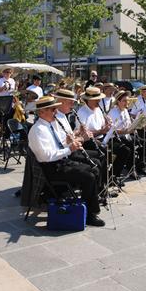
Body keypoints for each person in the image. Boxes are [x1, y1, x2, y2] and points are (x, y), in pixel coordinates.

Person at [28, 96, 105, 226]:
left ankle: (89, 203)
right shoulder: (38, 130)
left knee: (95, 169)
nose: (55, 112)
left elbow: (59, 145)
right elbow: (47, 156)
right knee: (89, 176)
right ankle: (90, 214)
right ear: (41, 112)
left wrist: (70, 141)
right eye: (52, 109)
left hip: (61, 162)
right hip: (52, 168)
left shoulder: (50, 125)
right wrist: (70, 149)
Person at [77, 87, 130, 180]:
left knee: (124, 150)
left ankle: (113, 176)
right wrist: (101, 131)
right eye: (96, 99)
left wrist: (107, 124)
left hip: (102, 139)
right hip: (89, 142)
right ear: (89, 100)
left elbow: (103, 127)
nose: (99, 101)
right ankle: (104, 181)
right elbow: (83, 134)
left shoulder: (98, 110)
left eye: (99, 99)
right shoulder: (82, 112)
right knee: (105, 154)